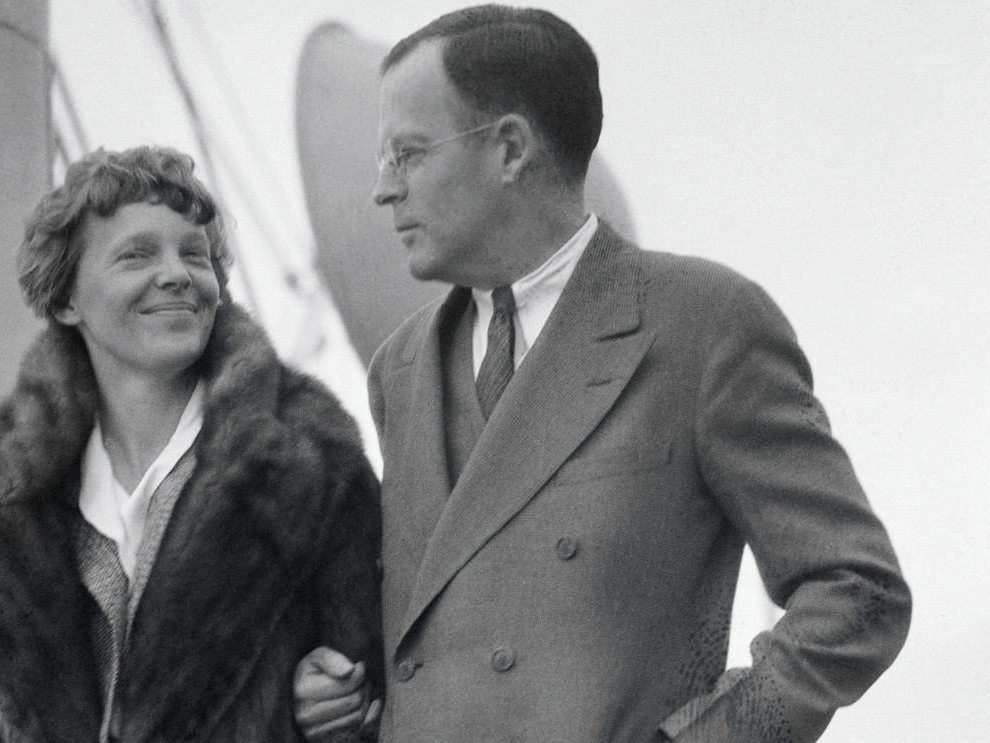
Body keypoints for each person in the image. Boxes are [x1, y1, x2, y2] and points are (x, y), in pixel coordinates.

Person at [293, 5, 910, 742]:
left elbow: (858, 590)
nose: (381, 190)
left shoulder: (704, 321)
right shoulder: (399, 368)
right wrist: (334, 696)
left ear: (510, 149)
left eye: (409, 153)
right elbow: (435, 639)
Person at [0, 145, 382, 742]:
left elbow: (389, 675)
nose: (177, 274)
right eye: (136, 255)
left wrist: (342, 704)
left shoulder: (310, 459)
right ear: (67, 299)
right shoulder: (2, 487)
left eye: (195, 254)